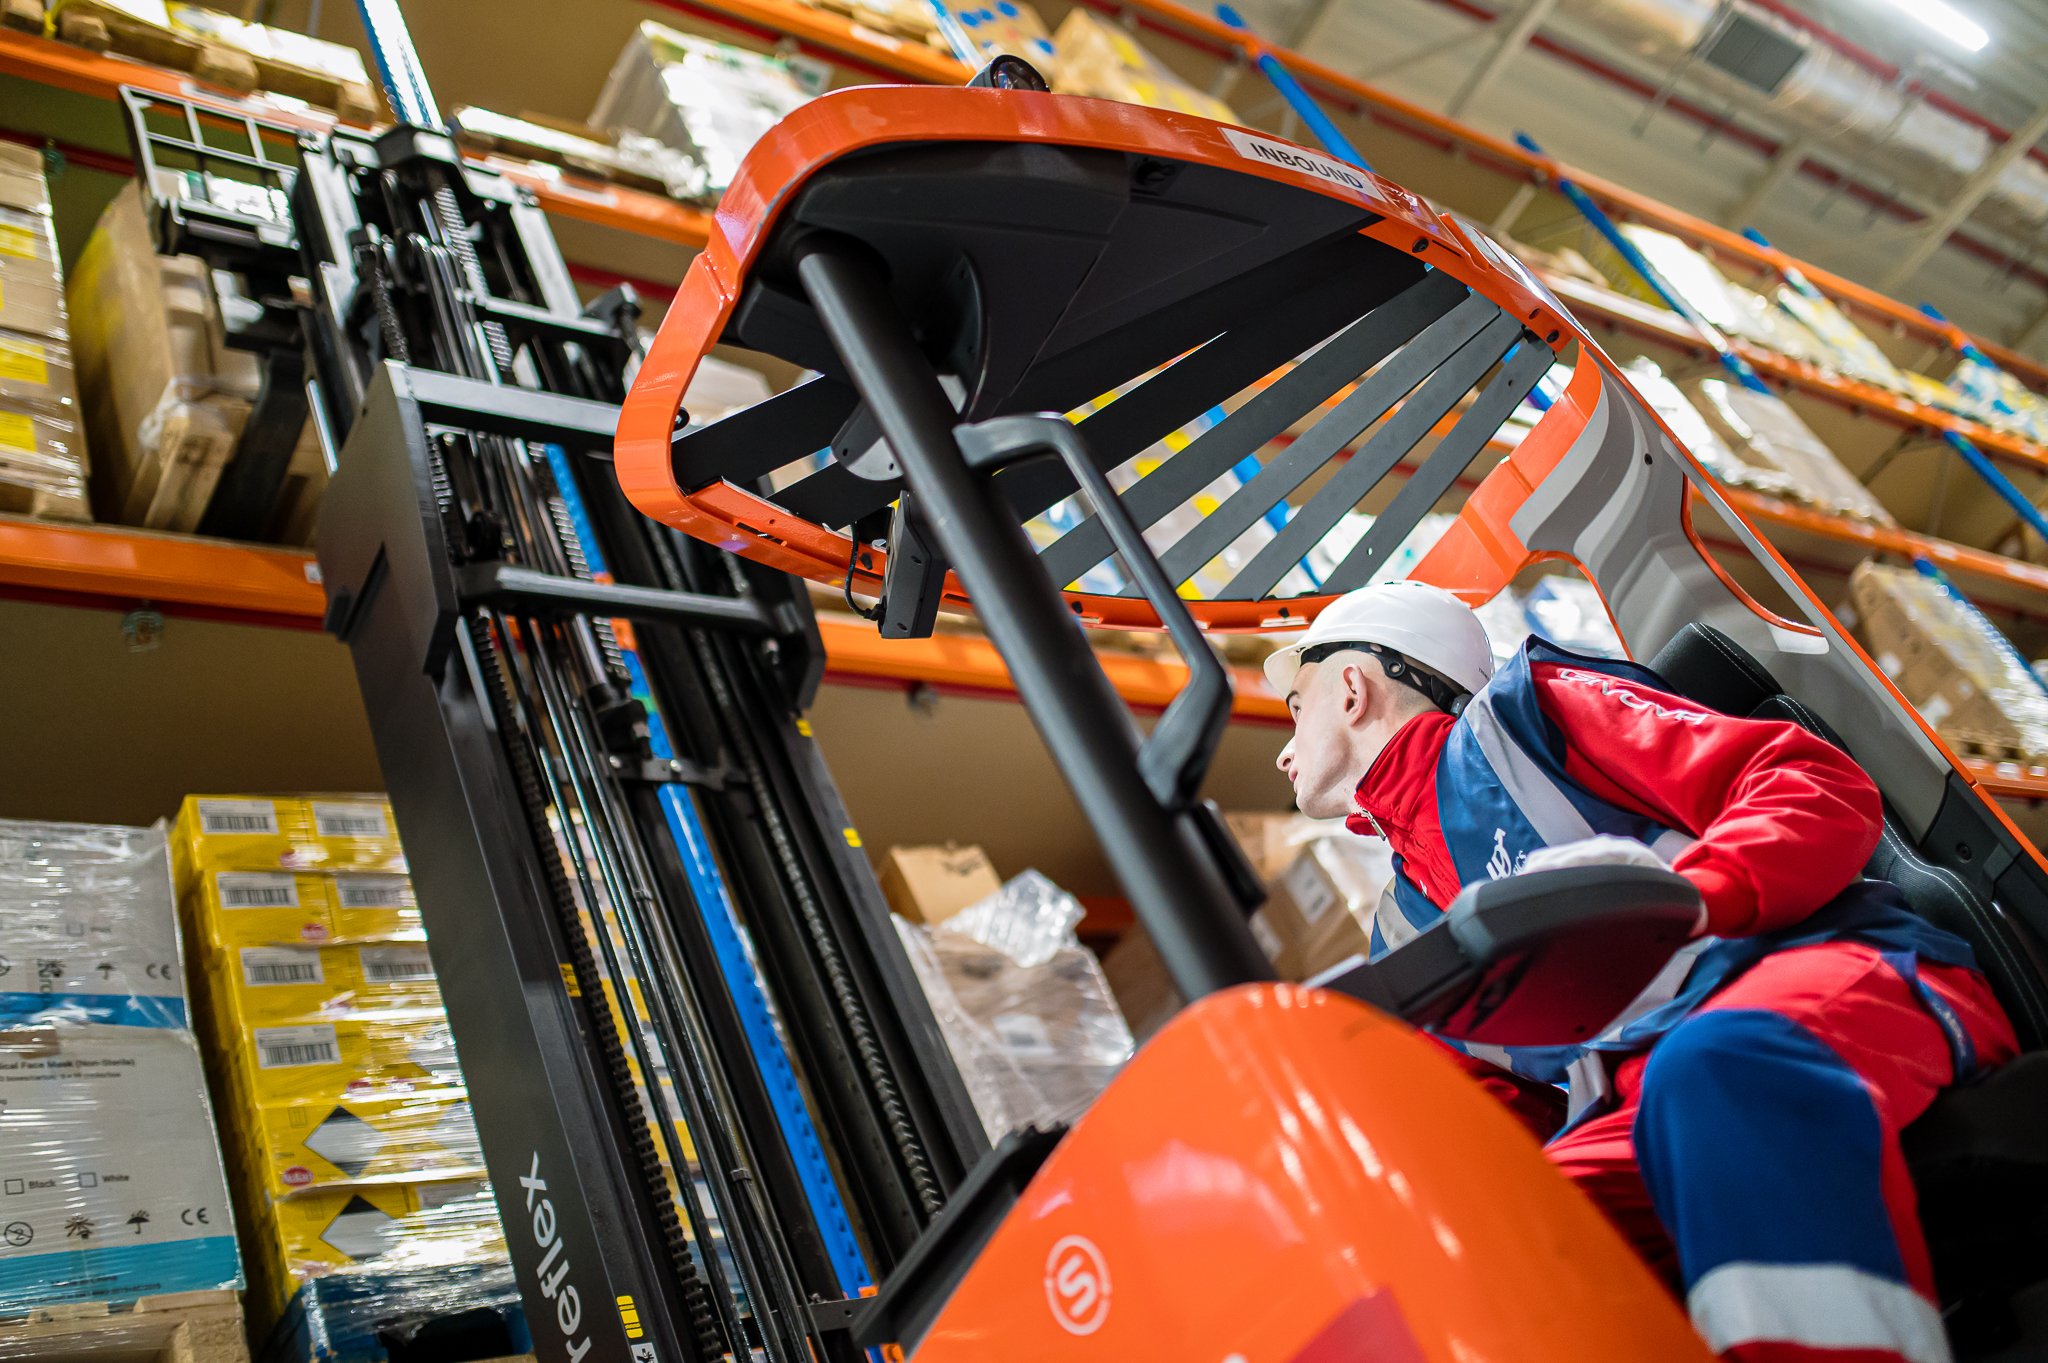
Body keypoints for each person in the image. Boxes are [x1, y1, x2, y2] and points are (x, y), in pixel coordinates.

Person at [1268, 579, 2016, 1363]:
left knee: (1713, 1066)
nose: (1286, 748)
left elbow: (1812, 787)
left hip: (1831, 981)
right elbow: (1491, 1118)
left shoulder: (1531, 720)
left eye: (1294, 707)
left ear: (1351, 687)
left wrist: (1690, 897)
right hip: (1644, 1097)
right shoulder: (1406, 927)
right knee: (1497, 1252)